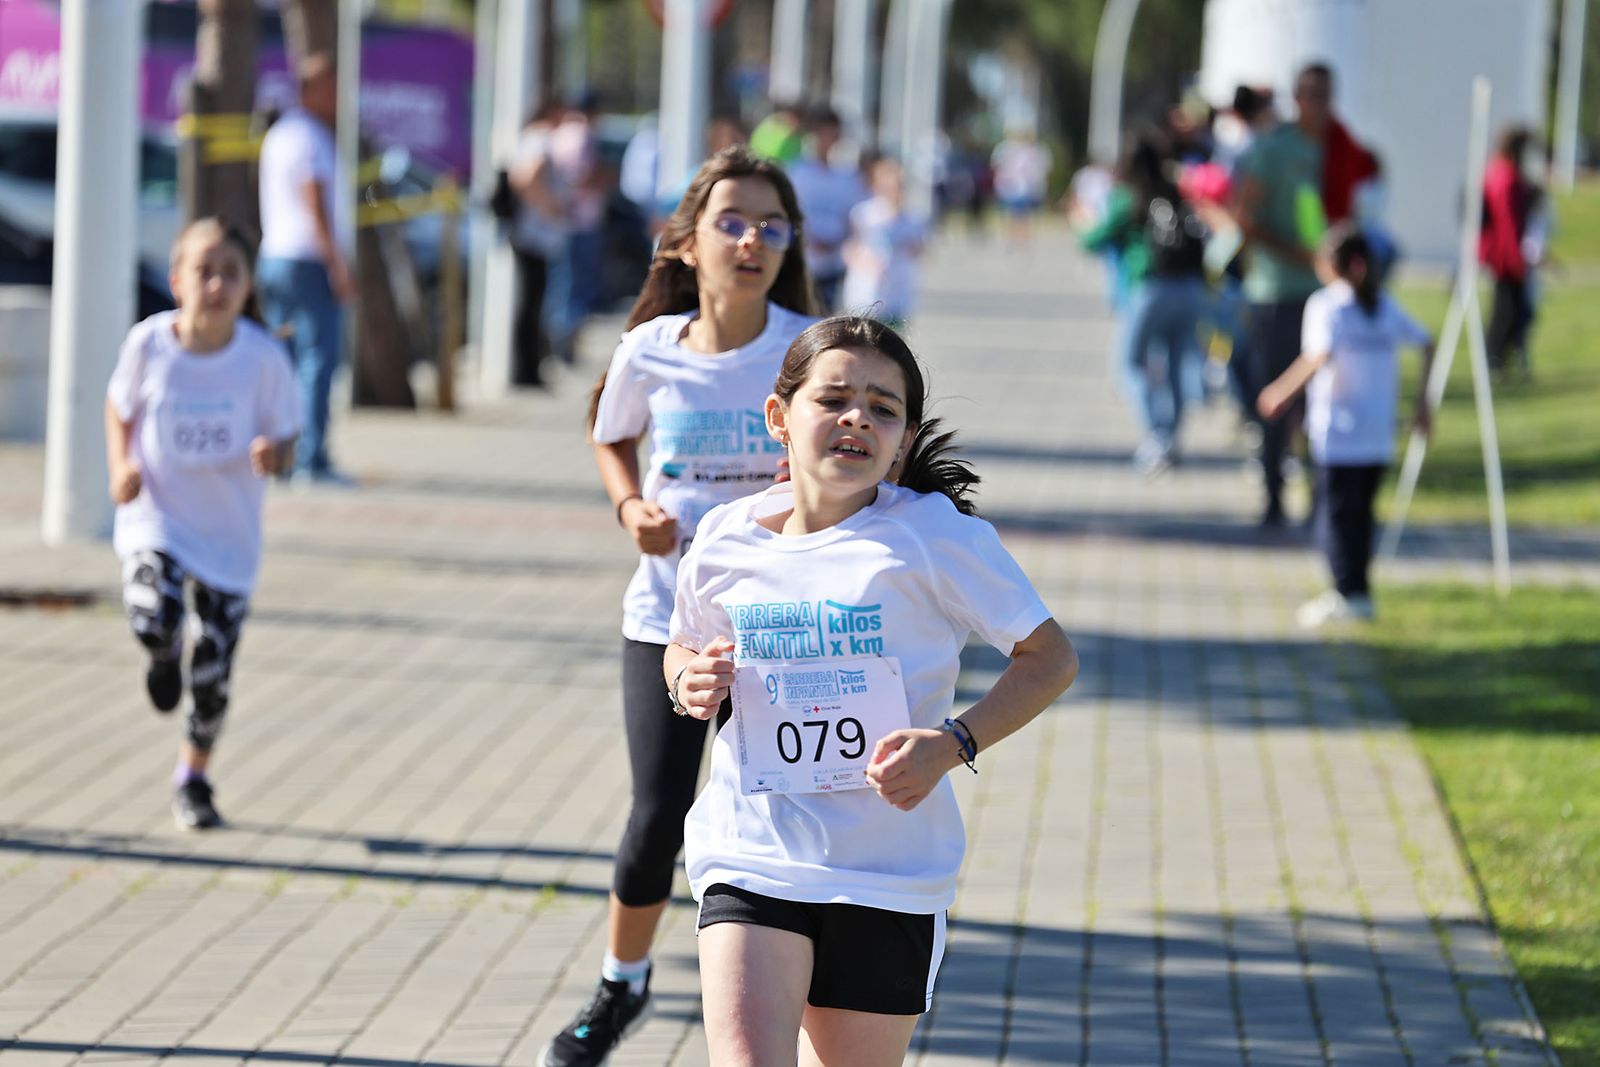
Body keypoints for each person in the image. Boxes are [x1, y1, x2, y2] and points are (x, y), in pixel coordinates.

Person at [664, 315, 1079, 1065]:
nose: (858, 417)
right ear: (778, 416)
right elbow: (683, 644)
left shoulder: (932, 536)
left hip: (887, 875)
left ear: (905, 439)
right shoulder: (725, 537)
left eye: (883, 408)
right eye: (834, 399)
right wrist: (687, 678)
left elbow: (1049, 657)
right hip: (752, 851)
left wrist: (954, 743)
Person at [538, 146, 817, 1067]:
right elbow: (609, 434)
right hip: (665, 616)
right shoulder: (648, 351)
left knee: (787, 809)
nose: (752, 240)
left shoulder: (806, 350)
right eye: (731, 221)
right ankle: (622, 984)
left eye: (771, 226)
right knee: (658, 813)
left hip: (780, 629)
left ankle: (803, 991)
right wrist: (630, 508)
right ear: (688, 244)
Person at [105, 219, 301, 830]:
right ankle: (162, 655)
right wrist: (121, 465)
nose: (216, 284)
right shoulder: (148, 345)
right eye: (203, 271)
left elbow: (289, 434)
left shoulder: (262, 358)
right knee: (150, 614)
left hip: (227, 535)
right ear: (175, 281)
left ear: (248, 287)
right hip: (157, 518)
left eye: (231, 273)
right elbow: (118, 408)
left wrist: (276, 453)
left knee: (213, 671)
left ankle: (193, 777)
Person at [1257, 226, 1433, 628]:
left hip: (1338, 431)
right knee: (1360, 516)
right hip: (1376, 433)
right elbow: (1425, 342)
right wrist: (1423, 404)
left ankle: (1345, 591)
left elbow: (1317, 356)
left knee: (1332, 516)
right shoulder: (1384, 306)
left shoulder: (1327, 305)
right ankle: (1358, 592)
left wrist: (1279, 392)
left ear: (1330, 265)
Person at [1232, 61, 1333, 526]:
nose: (1320, 104)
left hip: (1319, 294)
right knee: (1275, 398)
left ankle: (1318, 498)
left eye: (1326, 94)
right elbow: (1245, 218)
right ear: (1297, 98)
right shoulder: (1274, 150)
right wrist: (1296, 253)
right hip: (1275, 293)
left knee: (1319, 402)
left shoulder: (1329, 149)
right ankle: (1273, 499)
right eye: (1311, 94)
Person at [1080, 129, 1211, 474]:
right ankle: (1172, 439)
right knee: (1176, 365)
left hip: (1152, 290)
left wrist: (1081, 218)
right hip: (1191, 288)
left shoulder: (1129, 197)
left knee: (1129, 364)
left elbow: (1092, 239)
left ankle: (1157, 436)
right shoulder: (1177, 191)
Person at [255, 52, 354, 486]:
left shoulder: (280, 133)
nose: (339, 97)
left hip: (276, 257)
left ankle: (283, 456)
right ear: (310, 88)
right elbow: (314, 203)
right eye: (332, 86)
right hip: (307, 261)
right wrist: (337, 264)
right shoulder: (310, 136)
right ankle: (310, 460)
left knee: (284, 362)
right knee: (318, 361)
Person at [786, 106, 868, 312]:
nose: (826, 140)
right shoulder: (796, 173)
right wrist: (807, 238)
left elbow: (858, 219)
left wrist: (841, 240)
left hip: (834, 265)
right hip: (801, 264)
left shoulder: (849, 177)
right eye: (820, 133)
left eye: (831, 134)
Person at [508, 105, 568, 386]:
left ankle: (528, 367)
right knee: (532, 303)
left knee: (530, 302)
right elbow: (525, 178)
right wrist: (550, 206)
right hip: (534, 235)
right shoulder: (541, 139)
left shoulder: (530, 137)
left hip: (530, 233)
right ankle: (527, 370)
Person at [1480, 126, 1542, 380]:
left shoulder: (1501, 173)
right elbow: (1508, 222)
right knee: (1507, 309)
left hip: (1505, 252)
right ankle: (1495, 360)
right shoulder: (1505, 177)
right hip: (1504, 254)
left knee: (1511, 308)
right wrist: (1516, 258)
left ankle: (1502, 360)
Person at [841, 157, 928, 329]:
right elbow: (849, 247)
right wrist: (864, 262)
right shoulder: (863, 214)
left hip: (898, 294)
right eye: (888, 187)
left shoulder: (913, 219)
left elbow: (920, 250)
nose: (894, 191)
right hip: (866, 293)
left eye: (898, 186)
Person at [990, 127, 1052, 244]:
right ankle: (1013, 236)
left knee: (1025, 213)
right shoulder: (1006, 148)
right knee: (1012, 212)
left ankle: (1023, 237)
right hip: (1010, 185)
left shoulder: (1036, 149)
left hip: (1027, 186)